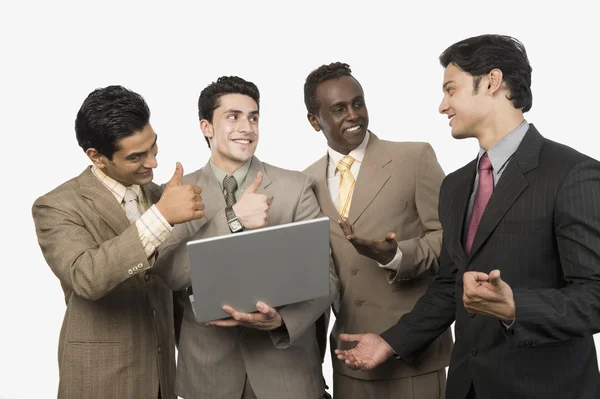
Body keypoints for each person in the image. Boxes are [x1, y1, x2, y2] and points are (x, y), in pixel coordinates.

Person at [335, 34, 600, 399]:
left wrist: (515, 307)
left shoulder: (572, 173)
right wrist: (391, 342)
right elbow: (451, 284)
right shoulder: (456, 186)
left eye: (450, 89)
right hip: (467, 386)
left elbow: (594, 294)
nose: (442, 105)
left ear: (491, 82)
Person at [153, 76, 339, 399]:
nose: (247, 127)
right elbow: (169, 274)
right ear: (206, 127)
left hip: (286, 373)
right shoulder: (179, 193)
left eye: (253, 117)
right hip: (208, 378)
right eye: (233, 116)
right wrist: (233, 219)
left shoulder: (294, 188)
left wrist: (281, 321)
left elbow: (326, 279)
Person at [32, 85, 205, 399]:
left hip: (162, 379)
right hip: (100, 381)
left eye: (154, 147)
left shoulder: (158, 195)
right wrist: (162, 216)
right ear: (96, 157)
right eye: (136, 156)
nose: (152, 163)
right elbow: (87, 276)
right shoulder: (56, 206)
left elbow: (174, 287)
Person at [303, 62, 452, 399]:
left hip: (413, 355)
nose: (353, 115)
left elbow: (451, 241)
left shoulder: (414, 158)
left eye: (358, 103)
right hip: (347, 358)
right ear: (315, 121)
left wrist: (398, 256)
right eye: (339, 109)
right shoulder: (305, 183)